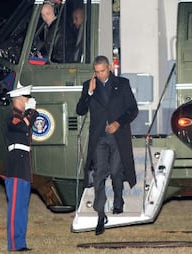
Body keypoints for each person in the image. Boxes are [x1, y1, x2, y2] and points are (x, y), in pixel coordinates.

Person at [76, 55, 138, 235]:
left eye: (102, 71)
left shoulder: (122, 84)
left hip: (118, 136)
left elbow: (132, 109)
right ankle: (101, 214)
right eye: (96, 72)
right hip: (99, 138)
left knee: (117, 171)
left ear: (109, 68)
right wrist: (88, 93)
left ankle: (119, 200)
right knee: (99, 173)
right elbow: (80, 111)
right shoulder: (89, 85)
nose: (100, 75)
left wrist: (118, 123)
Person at [0, 84, 38, 252]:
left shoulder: (20, 116)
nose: (27, 101)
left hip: (23, 168)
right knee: (15, 207)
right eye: (25, 98)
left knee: (22, 207)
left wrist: (30, 113)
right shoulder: (12, 117)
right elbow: (22, 127)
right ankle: (14, 245)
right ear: (17, 99)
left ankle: (20, 243)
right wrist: (31, 112)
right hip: (15, 168)